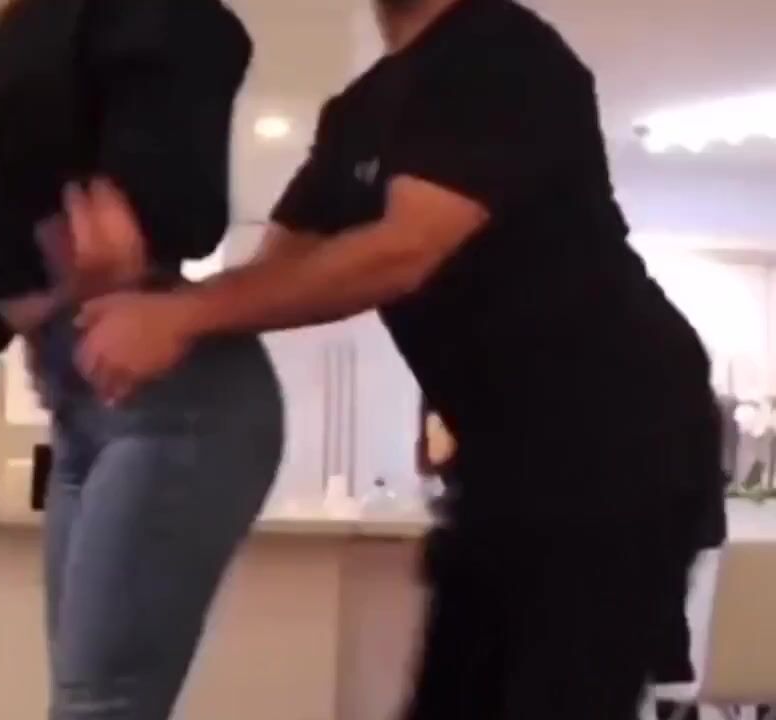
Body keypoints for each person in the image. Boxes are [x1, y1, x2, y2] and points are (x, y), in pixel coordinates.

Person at [67, 0, 726, 717]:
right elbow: (274, 273)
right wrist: (147, 295)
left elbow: (405, 250)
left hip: (622, 431)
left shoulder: (501, 49)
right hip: (503, 461)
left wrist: (180, 316)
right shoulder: (358, 112)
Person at [0, 2, 284, 719]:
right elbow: (1, 283)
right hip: (80, 409)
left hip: (175, 406)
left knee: (97, 704)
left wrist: (140, 215)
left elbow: (200, 63)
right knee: (87, 700)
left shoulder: (122, 21)